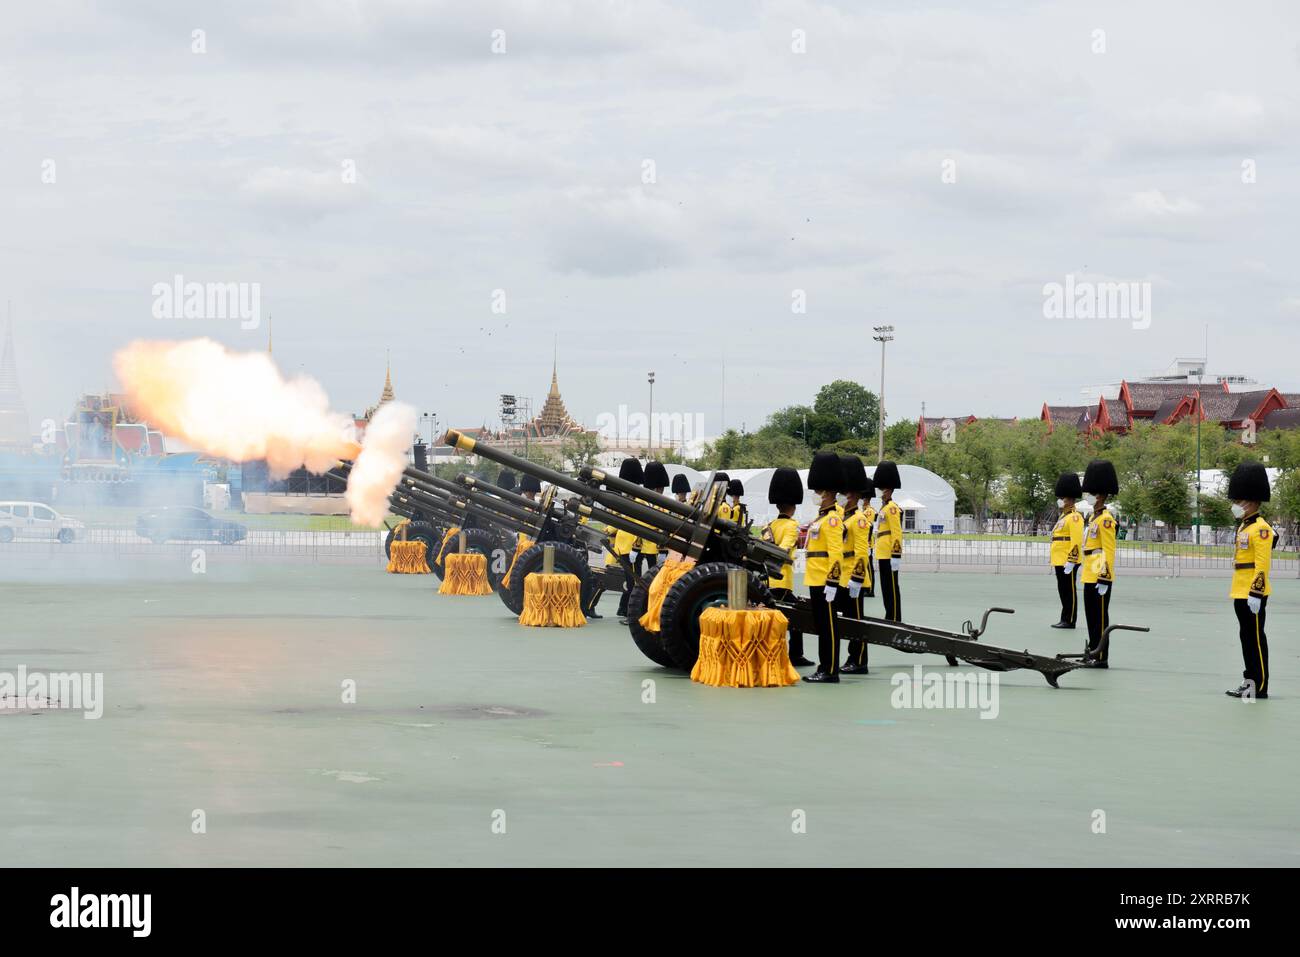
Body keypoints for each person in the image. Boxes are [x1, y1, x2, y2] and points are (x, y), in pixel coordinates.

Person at [1225, 461, 1275, 699]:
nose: (1236, 505)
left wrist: (1257, 591)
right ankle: (1249, 680)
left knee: (1255, 639)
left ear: (1252, 500)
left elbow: (1262, 563)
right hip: (1240, 590)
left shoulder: (1261, 529)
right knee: (1246, 638)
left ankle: (1260, 685)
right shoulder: (1245, 526)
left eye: (1240, 501)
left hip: (1252, 592)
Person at [802, 452, 845, 684]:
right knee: (821, 626)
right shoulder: (821, 519)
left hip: (825, 582)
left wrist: (832, 581)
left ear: (827, 493)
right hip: (815, 579)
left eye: (818, 492)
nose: (816, 495)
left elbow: (836, 553)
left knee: (828, 627)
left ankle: (829, 670)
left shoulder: (832, 520)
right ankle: (824, 666)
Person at [762, 466, 811, 666]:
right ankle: (796, 655)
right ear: (793, 506)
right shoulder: (792, 526)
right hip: (783, 581)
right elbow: (784, 549)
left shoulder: (769, 526)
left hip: (767, 581)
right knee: (796, 618)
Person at [1079, 459, 1119, 666]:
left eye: (1091, 493)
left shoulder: (1105, 519)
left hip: (1100, 574)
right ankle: (1094, 649)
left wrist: (1105, 575)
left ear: (1100, 494)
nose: (1088, 496)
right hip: (1090, 572)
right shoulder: (1094, 518)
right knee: (1091, 617)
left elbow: (1108, 549)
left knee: (1100, 618)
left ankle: (1101, 656)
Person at [839, 457, 876, 674]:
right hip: (842, 575)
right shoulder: (845, 516)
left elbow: (862, 552)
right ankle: (852, 657)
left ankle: (859, 660)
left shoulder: (860, 519)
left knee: (857, 622)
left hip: (854, 576)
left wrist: (857, 577)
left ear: (852, 495)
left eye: (845, 494)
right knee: (850, 621)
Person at [1050, 471, 1084, 629]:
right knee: (1063, 590)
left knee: (1069, 591)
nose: (1060, 501)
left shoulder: (1075, 517)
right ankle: (1065, 617)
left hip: (1067, 559)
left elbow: (1076, 541)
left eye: (1063, 498)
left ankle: (1070, 619)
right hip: (1059, 558)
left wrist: (1072, 560)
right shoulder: (1063, 517)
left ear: (1069, 499)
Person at [611, 458, 644, 620]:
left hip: (632, 548)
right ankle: (624, 608)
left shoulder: (639, 502)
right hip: (622, 547)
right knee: (628, 580)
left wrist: (636, 548)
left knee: (633, 582)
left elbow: (640, 528)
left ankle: (629, 611)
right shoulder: (625, 500)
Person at [872, 461, 904, 624]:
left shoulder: (892, 508)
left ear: (889, 489)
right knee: (886, 587)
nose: (880, 491)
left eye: (882, 488)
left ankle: (894, 617)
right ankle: (889, 614)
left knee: (891, 587)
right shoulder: (884, 508)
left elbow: (896, 532)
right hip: (883, 553)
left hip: (889, 554)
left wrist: (896, 555)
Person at [638, 461, 670, 573]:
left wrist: (663, 550)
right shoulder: (641, 502)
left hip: (660, 546)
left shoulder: (665, 504)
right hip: (647, 546)